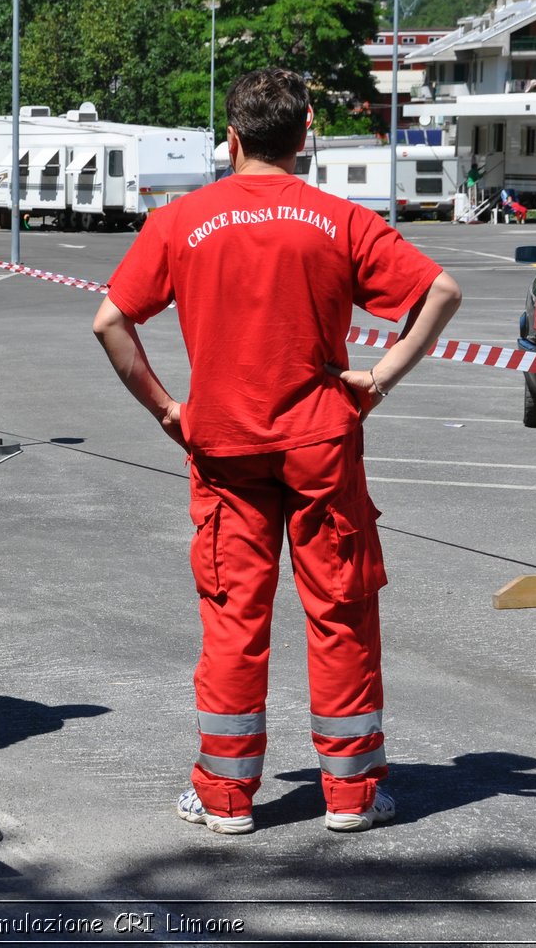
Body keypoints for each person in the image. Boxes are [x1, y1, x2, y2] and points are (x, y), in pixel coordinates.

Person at [93, 69, 461, 835]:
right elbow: (441, 294)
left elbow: (110, 322)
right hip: (322, 440)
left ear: (231, 138)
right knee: (341, 610)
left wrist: (168, 409)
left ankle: (226, 797)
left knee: (233, 615)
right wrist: (377, 381)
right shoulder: (339, 219)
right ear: (305, 136)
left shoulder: (180, 220)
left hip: (222, 441)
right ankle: (351, 794)